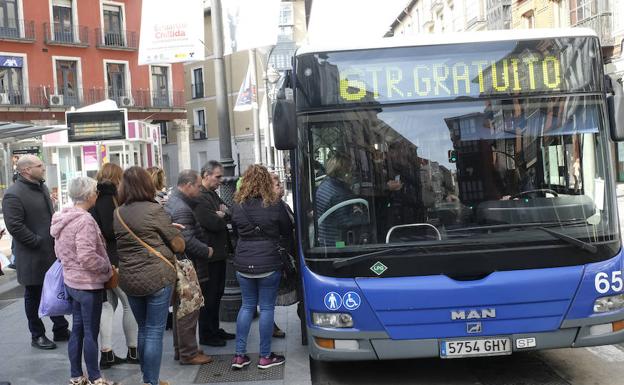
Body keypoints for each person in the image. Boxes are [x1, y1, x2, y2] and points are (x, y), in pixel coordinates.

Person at [114, 166, 184, 385]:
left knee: (143, 328)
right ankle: (150, 382)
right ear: (147, 184)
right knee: (154, 331)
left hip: (130, 279)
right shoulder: (154, 210)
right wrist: (175, 233)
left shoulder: (118, 213)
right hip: (157, 276)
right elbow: (177, 245)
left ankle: (148, 378)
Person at [50, 176, 118, 385]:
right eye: (95, 192)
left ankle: (76, 375)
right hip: (88, 284)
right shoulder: (85, 220)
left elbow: (58, 252)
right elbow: (88, 256)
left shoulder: (62, 217)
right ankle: (96, 377)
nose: (97, 195)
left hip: (71, 281)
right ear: (89, 195)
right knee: (90, 332)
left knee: (78, 329)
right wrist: (107, 267)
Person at [1, 154, 70, 350]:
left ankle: (60, 328)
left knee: (54, 290)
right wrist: (37, 242)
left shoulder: (42, 187)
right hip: (31, 255)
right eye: (39, 166)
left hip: (50, 253)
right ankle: (37, 334)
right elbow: (14, 225)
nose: (43, 168)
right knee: (33, 294)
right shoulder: (13, 194)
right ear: (26, 170)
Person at [230, 165, 292, 370]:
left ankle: (239, 355)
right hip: (268, 262)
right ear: (266, 182)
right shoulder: (274, 204)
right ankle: (265, 357)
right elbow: (286, 229)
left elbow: (236, 233)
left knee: (246, 306)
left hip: (243, 263)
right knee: (266, 308)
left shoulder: (237, 205)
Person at [90, 163, 139, 368]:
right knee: (129, 304)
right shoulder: (112, 199)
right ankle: (133, 351)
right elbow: (112, 231)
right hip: (118, 259)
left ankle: (107, 353)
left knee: (107, 305)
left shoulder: (93, 198)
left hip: (101, 259)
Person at [164, 170, 213, 365]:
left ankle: (182, 349)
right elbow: (187, 240)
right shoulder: (182, 208)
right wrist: (207, 250)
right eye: (198, 186)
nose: (200, 190)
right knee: (189, 310)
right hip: (187, 266)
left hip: (181, 264)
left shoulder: (175, 202)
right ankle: (189, 353)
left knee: (181, 309)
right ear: (187, 185)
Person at [194, 160, 236, 346]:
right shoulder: (201, 197)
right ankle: (207, 334)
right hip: (209, 254)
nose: (220, 180)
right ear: (206, 175)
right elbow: (213, 222)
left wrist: (223, 214)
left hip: (218, 253)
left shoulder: (211, 194)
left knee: (217, 294)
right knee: (209, 296)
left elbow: (229, 212)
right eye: (217, 177)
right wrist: (221, 215)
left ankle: (215, 329)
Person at [314, 153, 365, 246]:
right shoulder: (339, 193)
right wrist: (359, 214)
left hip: (323, 237)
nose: (353, 175)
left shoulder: (325, 183)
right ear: (344, 173)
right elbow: (345, 223)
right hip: (336, 243)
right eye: (350, 171)